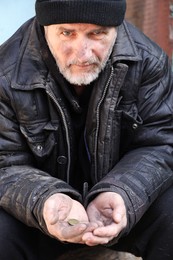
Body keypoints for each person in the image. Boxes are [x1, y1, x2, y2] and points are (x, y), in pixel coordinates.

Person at [0, 0, 173, 259]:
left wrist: (123, 193)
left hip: (120, 208)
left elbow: (160, 142)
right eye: (67, 33)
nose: (83, 53)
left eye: (97, 33)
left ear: (117, 28)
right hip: (37, 216)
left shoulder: (150, 62)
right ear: (45, 26)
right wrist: (45, 200)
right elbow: (4, 161)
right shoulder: (5, 72)